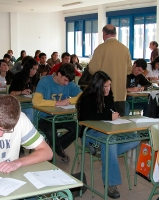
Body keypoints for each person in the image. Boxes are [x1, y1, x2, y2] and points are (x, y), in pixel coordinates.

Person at [76, 71, 140, 199]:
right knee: (110, 143)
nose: (108, 89)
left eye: (109, 85)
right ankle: (111, 184)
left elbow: (111, 111)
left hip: (108, 132)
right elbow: (84, 117)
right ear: (97, 86)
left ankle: (102, 150)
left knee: (136, 138)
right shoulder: (87, 97)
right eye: (104, 86)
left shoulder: (109, 95)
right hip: (90, 134)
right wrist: (108, 116)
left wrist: (115, 115)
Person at [32, 63, 82, 163]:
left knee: (78, 129)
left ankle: (52, 147)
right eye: (65, 80)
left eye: (69, 81)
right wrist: (57, 103)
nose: (67, 83)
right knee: (51, 131)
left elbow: (82, 96)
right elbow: (36, 101)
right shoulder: (45, 81)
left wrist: (68, 101)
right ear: (59, 74)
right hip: (44, 117)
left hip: (61, 116)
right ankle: (59, 152)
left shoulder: (69, 83)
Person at [88, 24, 132, 116]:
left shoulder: (100, 48)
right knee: (120, 122)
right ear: (115, 34)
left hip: (104, 93)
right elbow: (129, 70)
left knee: (105, 122)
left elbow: (93, 70)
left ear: (104, 33)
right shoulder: (125, 49)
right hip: (120, 94)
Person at [9, 58, 39, 123]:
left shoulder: (36, 77)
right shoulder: (18, 76)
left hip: (32, 102)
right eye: (32, 69)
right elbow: (11, 93)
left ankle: (35, 128)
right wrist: (22, 92)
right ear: (27, 68)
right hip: (19, 104)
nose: (34, 71)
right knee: (31, 111)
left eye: (36, 69)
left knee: (38, 111)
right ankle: (32, 129)